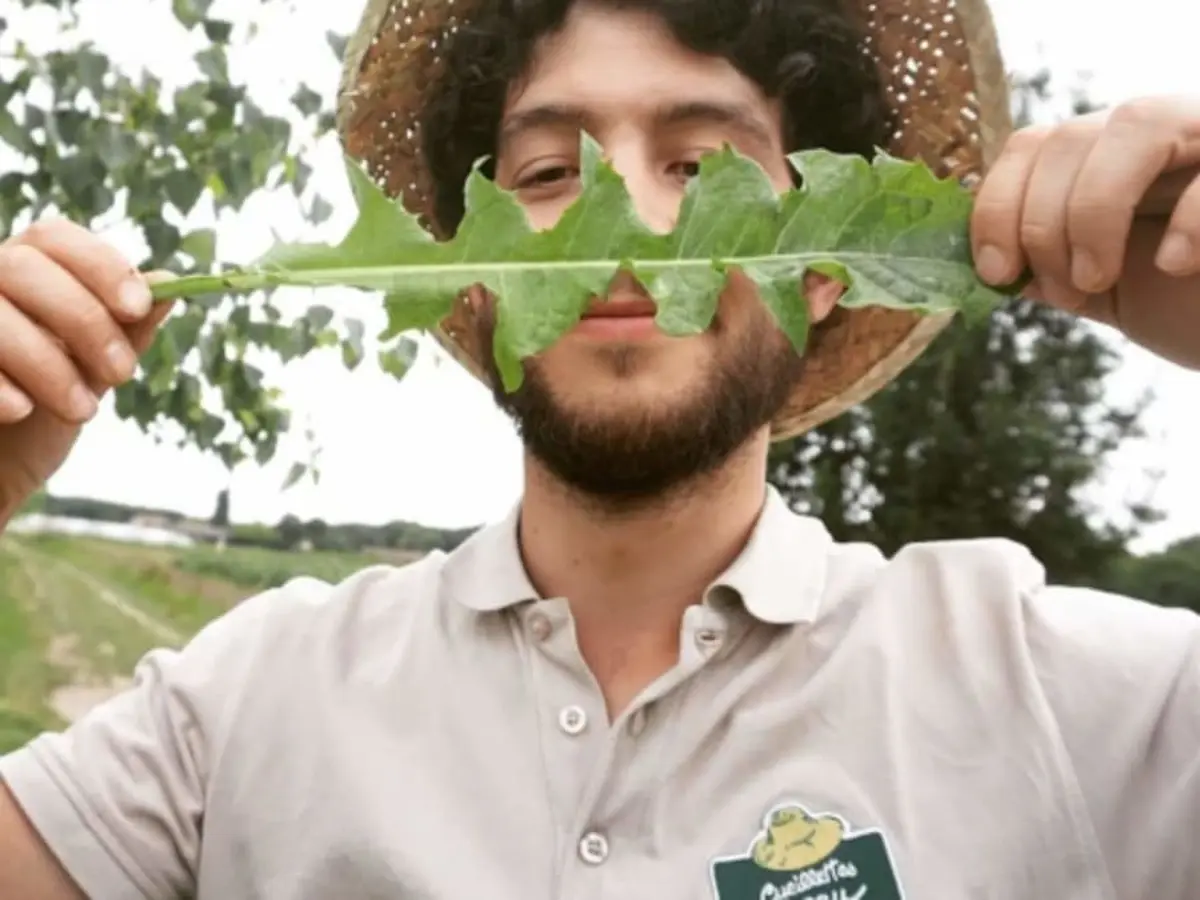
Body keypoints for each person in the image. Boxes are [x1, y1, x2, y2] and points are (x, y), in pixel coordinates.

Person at [1, 0, 1198, 895]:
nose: (615, 228)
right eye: (546, 171)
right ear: (464, 279)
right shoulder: (245, 700)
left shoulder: (1062, 698)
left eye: (701, 168)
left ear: (827, 269)